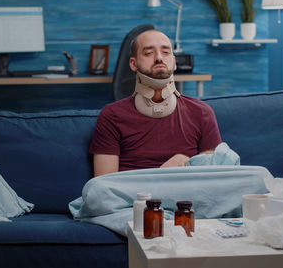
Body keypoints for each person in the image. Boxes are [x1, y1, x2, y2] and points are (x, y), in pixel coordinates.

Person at [89, 29, 222, 176]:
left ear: (174, 61)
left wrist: (185, 164)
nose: (159, 58)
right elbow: (103, 186)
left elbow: (211, 181)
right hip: (133, 198)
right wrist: (161, 175)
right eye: (148, 53)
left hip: (186, 197)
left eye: (166, 52)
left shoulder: (201, 112)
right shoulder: (112, 116)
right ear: (133, 64)